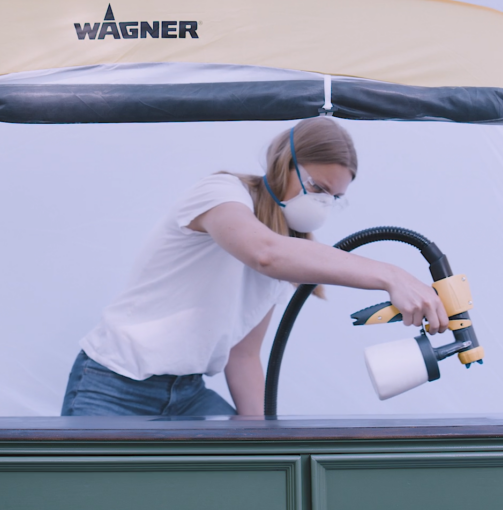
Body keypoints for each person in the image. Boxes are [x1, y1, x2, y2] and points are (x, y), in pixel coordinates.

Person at [61, 117, 449, 417]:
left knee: (253, 495)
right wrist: (391, 275)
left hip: (187, 395)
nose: (323, 203)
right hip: (114, 384)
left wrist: (267, 443)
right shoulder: (220, 193)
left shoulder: (293, 251)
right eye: (317, 188)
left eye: (335, 197)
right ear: (286, 162)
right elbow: (263, 252)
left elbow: (243, 356)